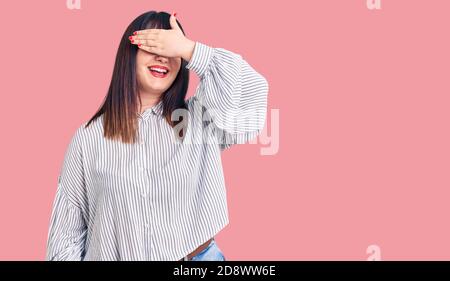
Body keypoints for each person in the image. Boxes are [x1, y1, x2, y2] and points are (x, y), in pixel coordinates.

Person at [46, 10, 268, 261]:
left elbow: (252, 101)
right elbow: (67, 238)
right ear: (129, 54)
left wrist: (192, 50)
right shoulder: (87, 140)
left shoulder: (200, 120)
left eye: (171, 49)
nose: (163, 57)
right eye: (153, 44)